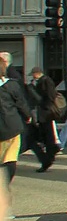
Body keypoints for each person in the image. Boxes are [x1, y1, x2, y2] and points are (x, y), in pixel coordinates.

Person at [0, 54, 31, 182]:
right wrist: (28, 116)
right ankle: (5, 184)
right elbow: (21, 104)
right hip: (12, 125)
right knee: (10, 158)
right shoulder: (12, 85)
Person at [28, 67, 61, 172]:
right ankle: (52, 151)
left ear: (37, 74)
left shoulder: (46, 81)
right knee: (45, 134)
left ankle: (49, 157)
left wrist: (33, 90)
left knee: (48, 135)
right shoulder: (44, 81)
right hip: (44, 112)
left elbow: (47, 97)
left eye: (33, 75)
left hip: (46, 112)